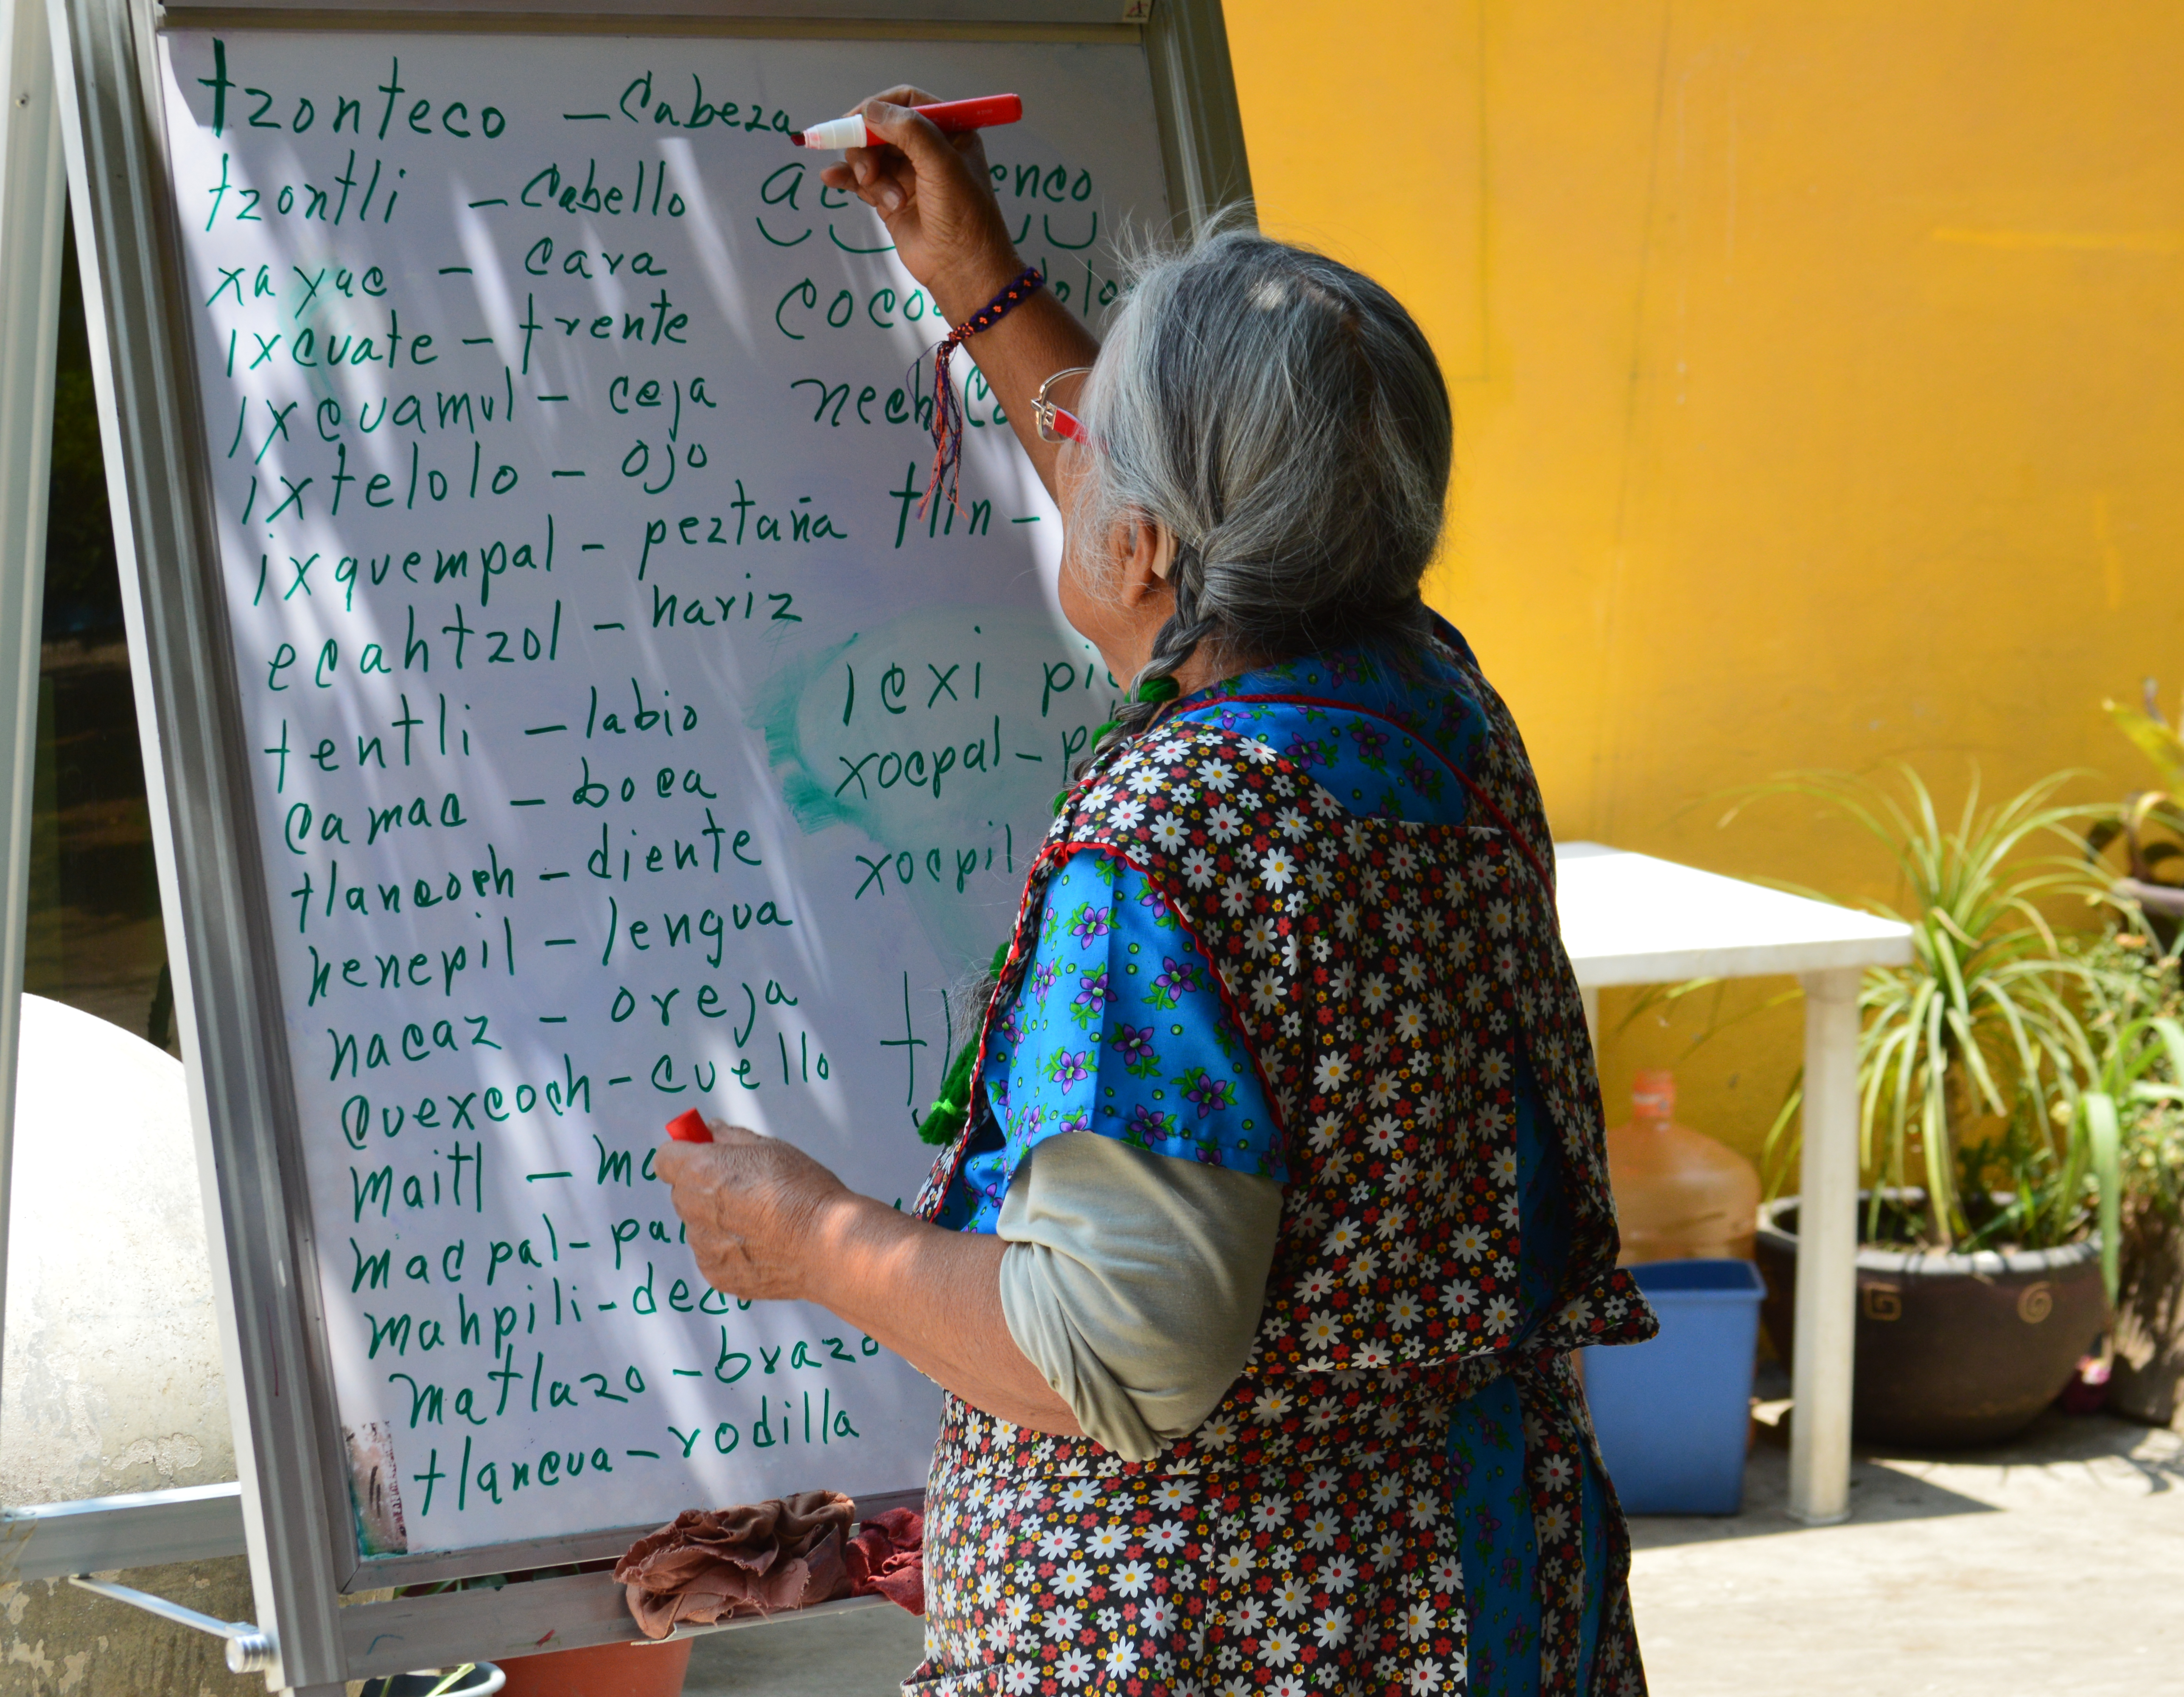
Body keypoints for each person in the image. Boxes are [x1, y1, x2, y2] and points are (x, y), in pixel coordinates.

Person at [655, 90, 1657, 1697]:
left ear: (1146, 553)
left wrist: (814, 1239)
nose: (1058, 435)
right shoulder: (1429, 709)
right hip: (1467, 1599)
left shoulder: (1171, 835)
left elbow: (1115, 1350)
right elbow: (1207, 528)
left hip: (1229, 1640)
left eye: (1087, 433)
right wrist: (980, 283)